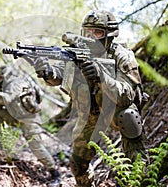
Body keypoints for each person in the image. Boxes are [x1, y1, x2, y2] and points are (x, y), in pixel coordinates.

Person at [32, 10, 148, 186]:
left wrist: (101, 76)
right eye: (88, 32)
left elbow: (128, 95)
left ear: (109, 35)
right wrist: (48, 73)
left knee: (130, 121)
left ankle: (142, 180)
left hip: (117, 111)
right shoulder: (77, 54)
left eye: (97, 32)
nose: (91, 37)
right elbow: (61, 76)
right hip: (91, 113)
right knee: (78, 164)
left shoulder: (122, 56)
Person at [0, 65, 61, 187]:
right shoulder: (5, 85)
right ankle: (6, 149)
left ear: (4, 76)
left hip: (30, 119)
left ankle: (55, 173)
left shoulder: (15, 83)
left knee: (36, 146)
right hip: (17, 117)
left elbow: (8, 99)